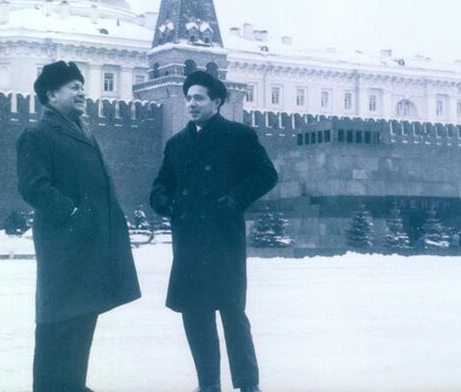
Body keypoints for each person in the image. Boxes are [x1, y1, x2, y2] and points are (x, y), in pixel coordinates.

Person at [17, 61, 141, 392]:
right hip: (65, 250)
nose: (81, 91)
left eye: (81, 85)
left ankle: (71, 385)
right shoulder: (38, 135)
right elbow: (33, 187)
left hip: (88, 248)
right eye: (73, 86)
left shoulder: (83, 131)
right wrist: (72, 214)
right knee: (57, 325)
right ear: (50, 95)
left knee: (81, 321)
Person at [150, 70, 277, 392]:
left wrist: (233, 200)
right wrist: (164, 201)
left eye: (199, 97)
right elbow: (162, 183)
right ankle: (208, 385)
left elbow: (266, 175)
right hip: (189, 237)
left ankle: (248, 385)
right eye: (188, 97)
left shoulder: (239, 136)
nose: (192, 103)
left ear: (217, 101)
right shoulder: (177, 143)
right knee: (195, 313)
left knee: (232, 312)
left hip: (223, 236)